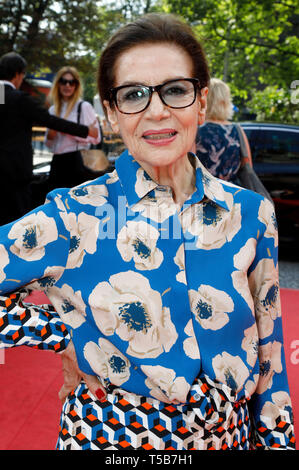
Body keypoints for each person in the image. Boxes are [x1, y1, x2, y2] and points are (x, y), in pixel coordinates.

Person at [0, 14, 295, 451]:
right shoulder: (72, 212)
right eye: (134, 94)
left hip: (228, 438)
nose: (157, 110)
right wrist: (71, 335)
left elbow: (271, 353)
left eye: (175, 89)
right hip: (111, 438)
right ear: (113, 114)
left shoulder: (251, 213)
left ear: (200, 100)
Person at [0, 52, 98, 226]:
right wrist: (84, 130)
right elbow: (50, 121)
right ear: (18, 74)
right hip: (15, 169)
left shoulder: (3, 95)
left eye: (71, 82)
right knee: (16, 221)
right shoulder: (18, 99)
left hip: (72, 162)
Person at [45, 66, 101, 190]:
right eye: (64, 81)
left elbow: (96, 136)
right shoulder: (53, 110)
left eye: (72, 82)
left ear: (76, 85)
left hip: (78, 160)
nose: (68, 85)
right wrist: (53, 133)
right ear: (58, 84)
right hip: (57, 161)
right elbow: (48, 143)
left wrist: (66, 128)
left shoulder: (84, 106)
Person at [195, 77, 252, 182]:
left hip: (201, 194)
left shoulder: (194, 130)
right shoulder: (237, 130)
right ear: (225, 101)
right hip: (231, 195)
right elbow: (247, 166)